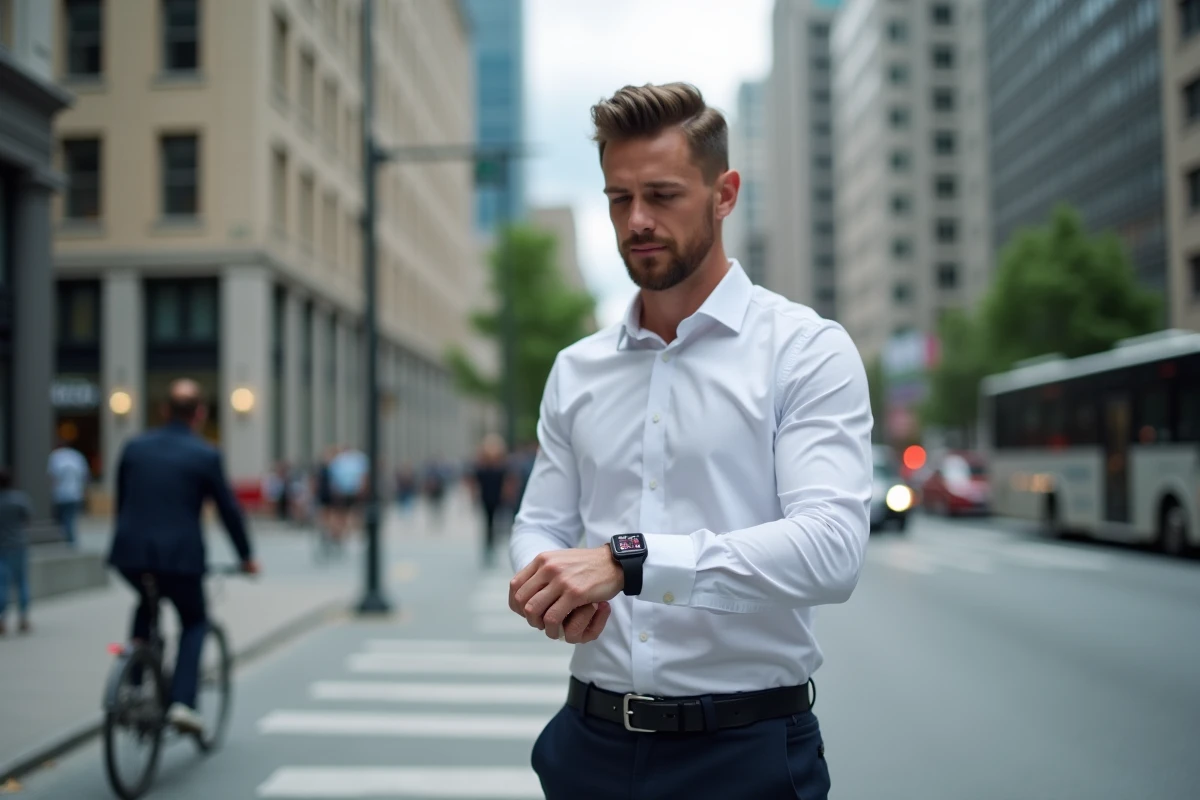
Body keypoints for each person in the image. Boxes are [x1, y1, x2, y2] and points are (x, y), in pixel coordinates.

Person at [507, 83, 873, 799]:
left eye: (663, 195)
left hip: (744, 755)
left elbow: (832, 549)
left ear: (724, 193)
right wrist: (547, 587)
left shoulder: (805, 350)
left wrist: (630, 562)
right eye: (619, 199)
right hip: (589, 747)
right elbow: (542, 521)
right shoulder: (576, 369)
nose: (637, 220)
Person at [108, 379, 259, 736]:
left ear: (164, 411)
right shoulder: (205, 454)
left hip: (130, 553)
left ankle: (133, 681)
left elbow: (122, 500)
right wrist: (246, 557)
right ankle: (182, 703)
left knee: (145, 603)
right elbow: (228, 511)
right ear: (200, 414)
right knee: (194, 622)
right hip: (180, 558)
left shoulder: (134, 447)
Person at [469, 434, 514, 567]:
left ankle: (493, 547)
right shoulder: (481, 467)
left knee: (497, 524)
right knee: (488, 524)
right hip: (485, 499)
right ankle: (488, 548)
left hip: (497, 499)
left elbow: (509, 482)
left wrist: (508, 495)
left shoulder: (502, 467)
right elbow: (473, 482)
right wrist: (473, 495)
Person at [0, 468, 33, 635]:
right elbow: (27, 518)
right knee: (21, 583)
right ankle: (23, 618)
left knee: (2, 584)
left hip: (1, 547)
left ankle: (2, 620)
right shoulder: (19, 499)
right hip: (18, 545)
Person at [48, 438, 89, 547]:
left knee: (62, 519)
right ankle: (70, 541)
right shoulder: (77, 456)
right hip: (75, 494)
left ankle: (68, 541)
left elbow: (52, 476)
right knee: (70, 519)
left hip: (60, 494)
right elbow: (84, 475)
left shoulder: (55, 456)